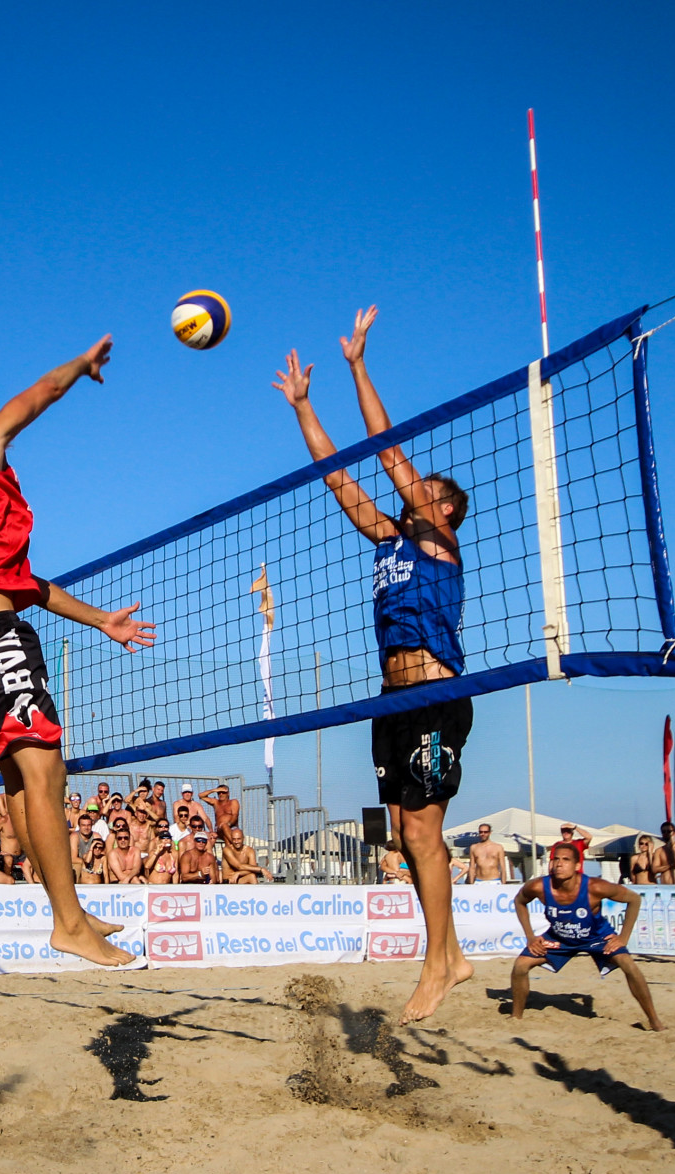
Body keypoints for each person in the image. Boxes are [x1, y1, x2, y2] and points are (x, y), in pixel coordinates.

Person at [0, 339, 156, 964]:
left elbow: (25, 585)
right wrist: (81, 365)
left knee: (25, 780)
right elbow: (41, 395)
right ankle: (68, 922)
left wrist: (103, 620)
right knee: (47, 770)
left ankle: (68, 910)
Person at [277, 305, 472, 1022]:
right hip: (389, 701)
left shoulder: (439, 544)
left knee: (424, 831)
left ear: (445, 512)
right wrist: (304, 407)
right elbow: (337, 475)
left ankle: (438, 964)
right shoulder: (388, 539)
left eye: (431, 492)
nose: (418, 492)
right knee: (402, 830)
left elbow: (388, 449)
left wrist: (358, 366)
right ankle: (447, 953)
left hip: (436, 695)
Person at [511, 842, 664, 1030]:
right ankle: (515, 1017)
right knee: (520, 966)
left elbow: (634, 899)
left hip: (596, 937)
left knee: (628, 965)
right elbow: (519, 901)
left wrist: (623, 938)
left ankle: (654, 1020)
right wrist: (530, 937)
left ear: (577, 866)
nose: (559, 864)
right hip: (560, 936)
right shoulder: (539, 886)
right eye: (555, 859)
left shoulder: (595, 887)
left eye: (565, 860)